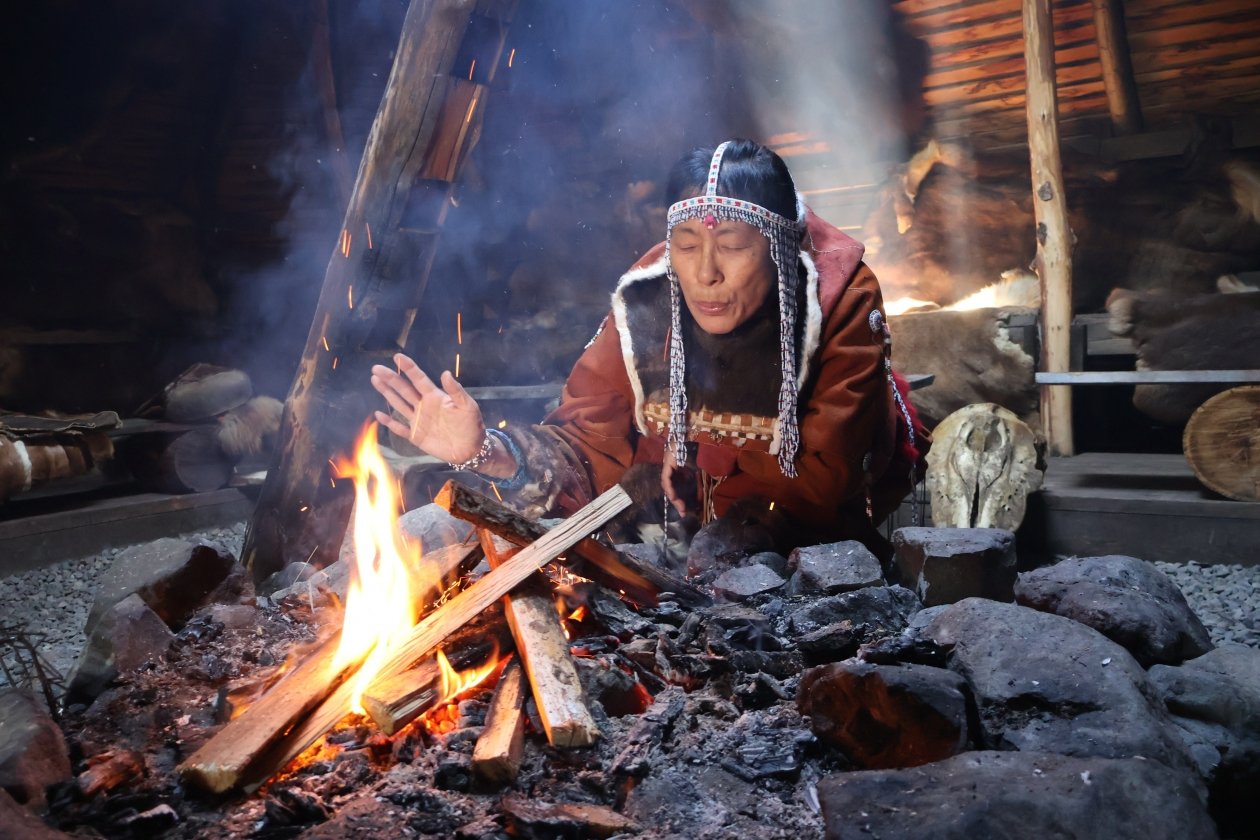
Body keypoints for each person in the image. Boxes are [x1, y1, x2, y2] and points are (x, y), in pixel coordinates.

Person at [371, 139, 925, 561]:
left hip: (797, 557)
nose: (704, 273)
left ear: (779, 251)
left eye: (732, 245)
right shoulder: (650, 293)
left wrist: (703, 412)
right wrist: (487, 450)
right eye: (686, 246)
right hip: (674, 545)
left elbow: (820, 481)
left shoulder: (840, 295)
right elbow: (592, 443)